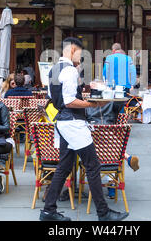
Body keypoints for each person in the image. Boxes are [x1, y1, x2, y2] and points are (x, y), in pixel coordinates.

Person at [40, 37, 128, 221]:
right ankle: (103, 213)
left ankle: (48, 211)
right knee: (93, 166)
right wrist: (93, 103)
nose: (81, 56)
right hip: (73, 124)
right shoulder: (70, 70)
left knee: (63, 167)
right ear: (72, 49)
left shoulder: (54, 70)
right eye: (80, 52)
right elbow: (70, 101)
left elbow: (54, 98)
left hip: (62, 124)